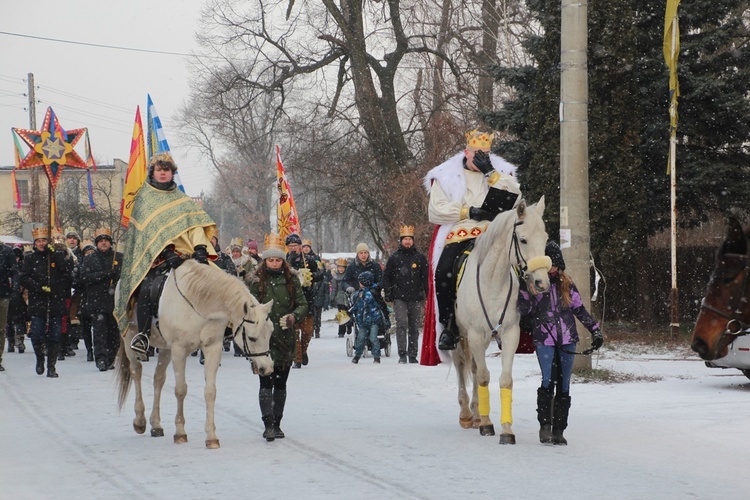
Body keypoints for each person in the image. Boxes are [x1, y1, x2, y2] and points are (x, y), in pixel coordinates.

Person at [423, 129, 521, 357]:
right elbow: (436, 210)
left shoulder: (501, 172)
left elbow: (516, 197)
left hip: (493, 232)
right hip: (461, 231)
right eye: (476, 154)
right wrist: (468, 211)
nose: (480, 158)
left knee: (521, 265)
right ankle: (449, 327)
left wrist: (491, 173)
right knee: (444, 271)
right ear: (466, 152)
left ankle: (517, 319)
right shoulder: (445, 175)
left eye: (485, 154)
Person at [114, 152, 218, 357]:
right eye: (159, 170)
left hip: (188, 254)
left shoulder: (182, 199)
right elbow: (148, 232)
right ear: (153, 172)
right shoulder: (144, 199)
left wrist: (200, 248)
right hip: (155, 258)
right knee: (147, 288)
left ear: (172, 173)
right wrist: (166, 252)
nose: (163, 174)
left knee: (218, 281)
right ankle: (143, 336)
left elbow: (195, 224)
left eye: (166, 170)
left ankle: (224, 325)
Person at [517, 241, 603, 445]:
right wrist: (525, 291)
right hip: (544, 339)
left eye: (556, 263)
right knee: (548, 380)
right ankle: (545, 426)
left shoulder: (567, 284)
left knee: (564, 385)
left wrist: (595, 330)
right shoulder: (536, 283)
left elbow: (579, 310)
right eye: (549, 263)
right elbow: (523, 310)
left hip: (567, 339)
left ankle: (559, 430)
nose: (553, 267)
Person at [246, 233, 308, 441]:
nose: (274, 263)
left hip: (285, 339)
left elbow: (302, 304)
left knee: (280, 384)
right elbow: (247, 307)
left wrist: (293, 317)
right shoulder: (256, 281)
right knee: (265, 383)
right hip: (263, 341)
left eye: (278, 259)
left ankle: (278, 422)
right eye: (271, 260)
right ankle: (268, 424)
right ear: (265, 260)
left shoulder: (291, 280)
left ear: (283, 260)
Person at [19, 227, 73, 377]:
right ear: (35, 243)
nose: (41, 244)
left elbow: (66, 271)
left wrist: (54, 254)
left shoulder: (56, 256)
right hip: (38, 302)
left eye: (44, 240)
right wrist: (38, 287)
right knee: (36, 334)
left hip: (55, 301)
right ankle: (40, 359)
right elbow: (23, 277)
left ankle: (51, 366)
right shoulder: (30, 258)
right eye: (39, 241)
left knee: (55, 335)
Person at [383, 225, 429, 364]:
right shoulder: (394, 258)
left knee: (414, 327)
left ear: (413, 240)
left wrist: (428, 294)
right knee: (402, 324)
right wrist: (388, 292)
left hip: (416, 297)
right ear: (401, 241)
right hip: (399, 297)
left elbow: (425, 278)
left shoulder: (420, 258)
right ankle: (402, 354)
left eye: (410, 239)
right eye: (405, 239)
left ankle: (413, 354)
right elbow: (387, 277)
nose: (407, 242)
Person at [79, 228, 123, 372]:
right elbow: (84, 277)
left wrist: (116, 276)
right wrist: (103, 275)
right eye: (101, 241)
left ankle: (110, 358)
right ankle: (101, 359)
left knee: (114, 333)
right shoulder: (90, 258)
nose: (104, 243)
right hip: (97, 301)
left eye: (106, 241)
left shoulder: (119, 257)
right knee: (99, 332)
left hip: (114, 302)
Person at [284, 233, 321, 368]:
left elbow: (320, 274)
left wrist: (310, 277)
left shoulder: (309, 259)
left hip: (307, 297)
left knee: (308, 330)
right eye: (290, 246)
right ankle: (297, 358)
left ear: (300, 246)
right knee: (294, 330)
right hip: (291, 299)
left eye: (295, 245)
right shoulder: (284, 260)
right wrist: (291, 262)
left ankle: (303, 351)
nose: (293, 248)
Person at [349, 271, 384, 364]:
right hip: (363, 321)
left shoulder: (372, 293)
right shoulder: (360, 293)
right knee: (360, 338)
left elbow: (380, 305)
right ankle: (357, 355)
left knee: (373, 338)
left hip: (373, 320)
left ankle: (376, 356)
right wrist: (351, 311)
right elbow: (357, 305)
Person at [73, 240, 96, 362]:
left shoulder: (99, 265)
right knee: (86, 328)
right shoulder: (79, 267)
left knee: (98, 327)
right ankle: (89, 350)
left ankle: (98, 350)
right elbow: (75, 282)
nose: (90, 254)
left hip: (97, 300)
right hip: (84, 300)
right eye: (87, 252)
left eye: (92, 252)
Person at [301, 239, 327, 339]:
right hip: (305, 287)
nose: (306, 248)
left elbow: (321, 271)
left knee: (316, 312)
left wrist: (312, 276)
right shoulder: (300, 258)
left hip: (316, 287)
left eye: (307, 247)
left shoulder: (316, 258)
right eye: (304, 247)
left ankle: (317, 329)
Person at [0, 241, 19, 371]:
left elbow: (14, 272)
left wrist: (14, 290)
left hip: (3, 294)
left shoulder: (6, 251)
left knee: (1, 329)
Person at [6, 247, 27, 355]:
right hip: (7, 296)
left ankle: (20, 340)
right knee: (8, 321)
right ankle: (11, 341)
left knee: (20, 320)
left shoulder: (22, 267)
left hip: (20, 298)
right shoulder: (7, 267)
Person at [331, 258, 352, 338]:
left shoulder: (348, 276)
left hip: (347, 296)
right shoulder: (336, 277)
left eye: (342, 268)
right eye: (339, 268)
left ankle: (349, 325)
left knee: (348, 312)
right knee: (341, 314)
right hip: (339, 297)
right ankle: (341, 331)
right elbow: (334, 289)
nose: (341, 269)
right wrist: (332, 298)